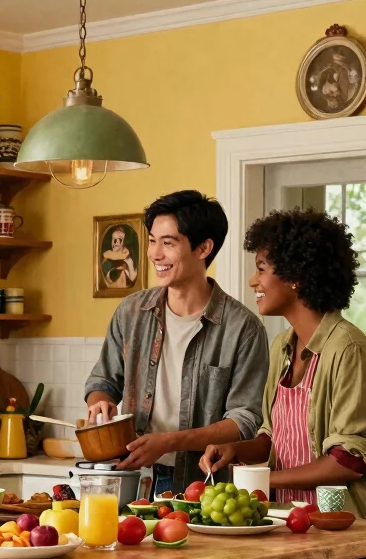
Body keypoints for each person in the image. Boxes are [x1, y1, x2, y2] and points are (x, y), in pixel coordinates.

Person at [85, 189, 269, 495]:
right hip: (132, 480)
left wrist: (169, 441)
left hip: (202, 487)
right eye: (153, 240)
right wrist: (99, 401)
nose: (155, 254)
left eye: (168, 243)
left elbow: (244, 420)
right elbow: (103, 380)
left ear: (203, 248)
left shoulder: (243, 328)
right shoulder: (131, 312)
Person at [200, 208, 366, 515]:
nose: (253, 281)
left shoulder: (348, 348)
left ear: (296, 277)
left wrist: (262, 480)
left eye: (261, 269)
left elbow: (348, 461)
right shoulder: (281, 346)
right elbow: (271, 436)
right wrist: (235, 450)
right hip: (285, 520)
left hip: (336, 528)